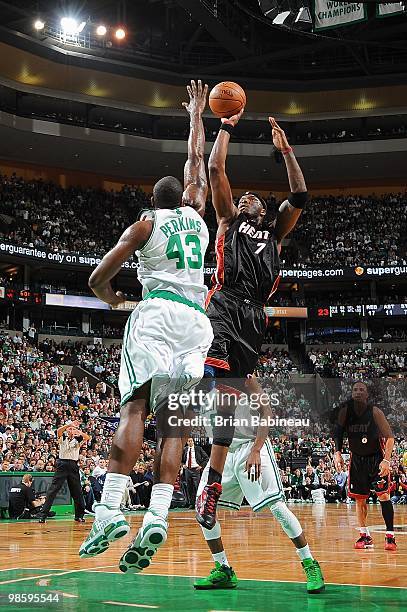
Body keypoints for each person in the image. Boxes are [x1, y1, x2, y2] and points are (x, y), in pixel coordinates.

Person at [79, 80, 213, 574]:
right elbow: (195, 164)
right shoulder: (198, 218)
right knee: (174, 423)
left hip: (156, 313)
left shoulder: (145, 224)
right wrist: (197, 115)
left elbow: (97, 277)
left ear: (153, 202)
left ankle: (109, 510)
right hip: (197, 324)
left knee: (134, 407)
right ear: (184, 199)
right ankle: (157, 513)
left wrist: (114, 299)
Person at [196, 112, 307, 529]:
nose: (244, 200)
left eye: (252, 199)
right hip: (224, 303)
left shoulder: (276, 233)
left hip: (254, 318)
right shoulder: (227, 222)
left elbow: (299, 195)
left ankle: (213, 481)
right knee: (223, 385)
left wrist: (286, 151)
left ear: (263, 209)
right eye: (240, 198)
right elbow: (215, 168)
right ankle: (212, 481)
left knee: (232, 391)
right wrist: (225, 126)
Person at [194, 376, 324, 594]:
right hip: (221, 453)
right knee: (203, 508)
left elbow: (266, 413)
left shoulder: (245, 378)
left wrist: (256, 450)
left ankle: (310, 563)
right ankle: (223, 569)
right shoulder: (199, 379)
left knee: (277, 507)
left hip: (250, 447)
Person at [333, 381, 397, 551]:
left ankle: (390, 536)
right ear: (351, 393)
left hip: (376, 459)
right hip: (357, 461)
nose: (358, 392)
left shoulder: (375, 412)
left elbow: (390, 437)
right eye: (355, 389)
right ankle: (364, 535)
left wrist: (387, 460)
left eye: (362, 390)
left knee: (384, 497)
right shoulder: (345, 412)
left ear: (367, 394)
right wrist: (337, 453)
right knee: (360, 500)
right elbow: (338, 434)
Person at [37, 420, 90, 523]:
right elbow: (58, 431)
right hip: (62, 464)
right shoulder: (63, 438)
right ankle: (43, 515)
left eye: (73, 429)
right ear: (66, 430)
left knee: (77, 492)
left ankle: (79, 515)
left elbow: (88, 438)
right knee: (53, 490)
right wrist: (69, 425)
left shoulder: (77, 439)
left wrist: (79, 432)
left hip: (73, 465)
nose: (71, 430)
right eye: (69, 429)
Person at [182, 438, 209, 508]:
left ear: (193, 442)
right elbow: (180, 459)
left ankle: (199, 503)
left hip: (196, 470)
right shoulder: (185, 449)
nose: (190, 442)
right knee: (189, 487)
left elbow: (206, 458)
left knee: (197, 487)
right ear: (187, 442)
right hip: (188, 470)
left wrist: (201, 466)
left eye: (191, 441)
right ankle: (192, 503)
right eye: (188, 441)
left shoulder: (198, 449)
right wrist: (182, 465)